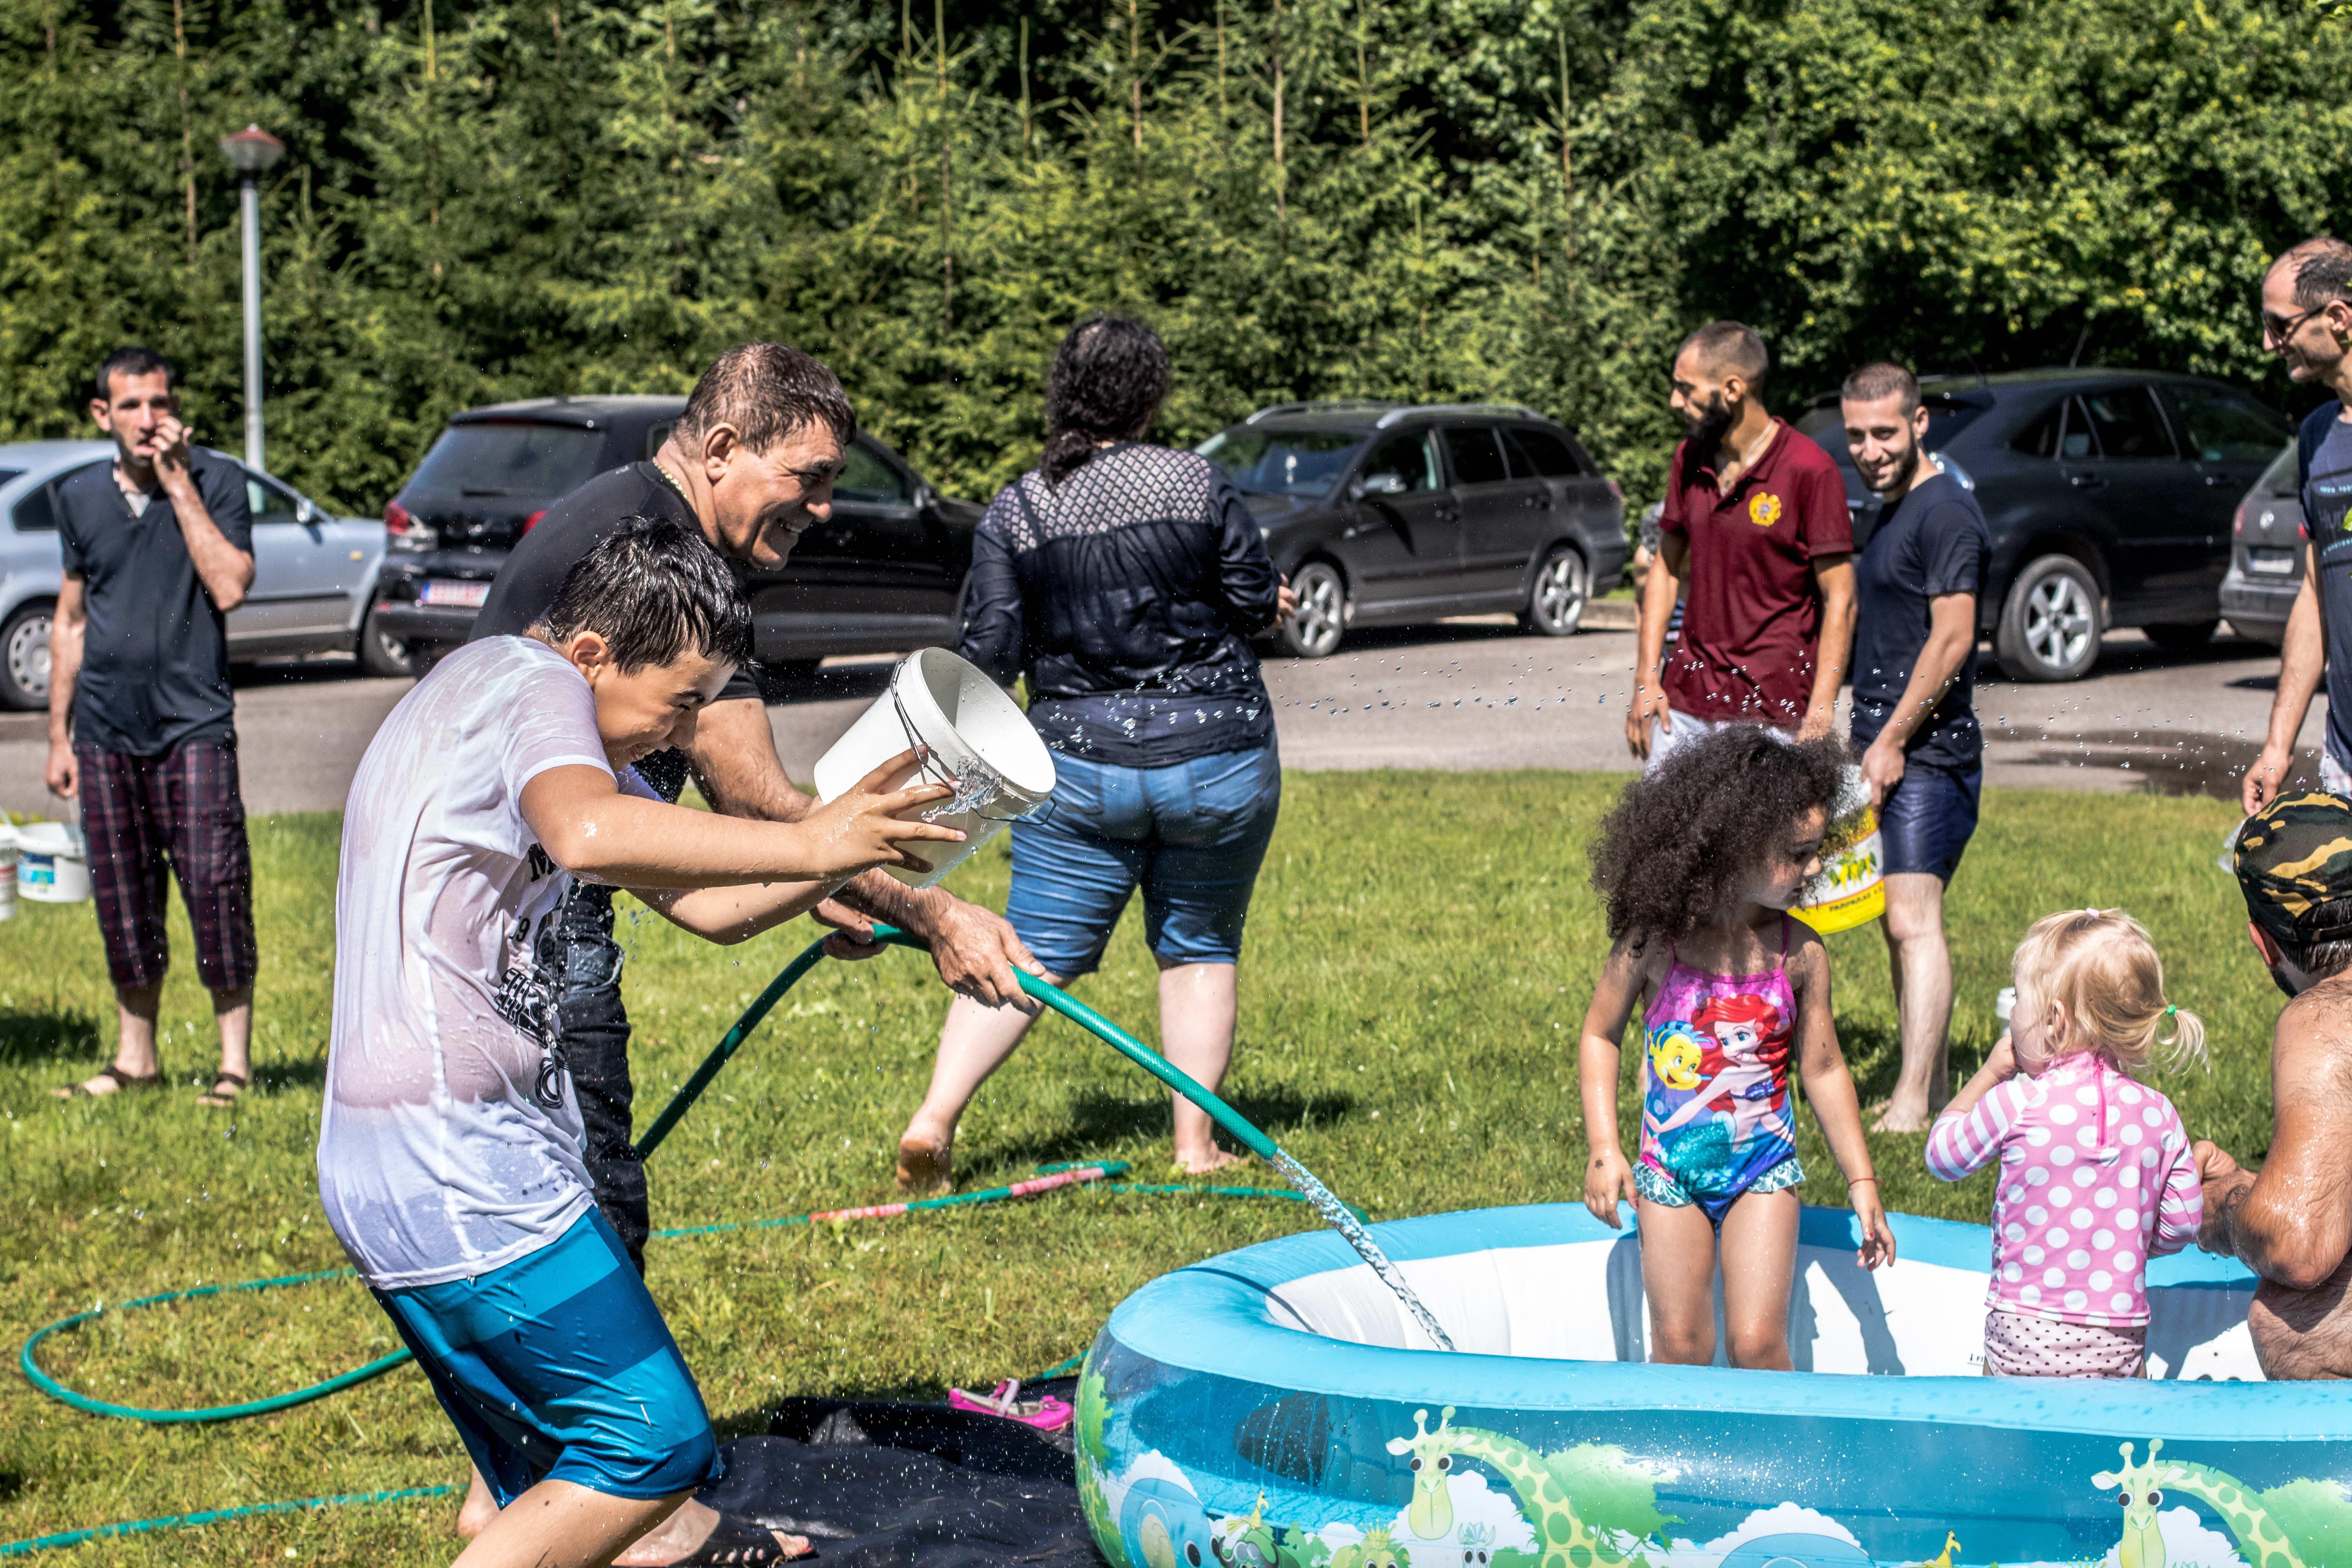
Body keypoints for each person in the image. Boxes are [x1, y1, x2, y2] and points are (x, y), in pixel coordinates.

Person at [321, 518, 959, 1568]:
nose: (683, 731)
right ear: (591, 656)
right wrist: (810, 839)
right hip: (463, 1171)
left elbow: (709, 909)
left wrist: (826, 871)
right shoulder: (532, 687)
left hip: (391, 1168)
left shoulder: (487, 702)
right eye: (681, 702)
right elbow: (585, 834)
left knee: (540, 1478)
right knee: (650, 1445)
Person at [893, 316, 1296, 1191]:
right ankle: (1195, 1145)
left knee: (1032, 948)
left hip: (1077, 765)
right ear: (1152, 392)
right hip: (1217, 754)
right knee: (1197, 947)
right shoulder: (1197, 483)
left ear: (1064, 393)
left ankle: (935, 1116)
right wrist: (1269, 597)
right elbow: (1252, 598)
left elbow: (992, 652)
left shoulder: (1019, 507)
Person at [1578, 726, 1894, 1369]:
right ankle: (1673, 1466)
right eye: (1797, 854)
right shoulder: (1655, 942)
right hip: (1670, 1171)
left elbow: (1825, 1069)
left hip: (1763, 1172)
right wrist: (1606, 1151)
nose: (1813, 869)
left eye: (1814, 851)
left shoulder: (1799, 952)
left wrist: (1861, 1178)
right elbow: (1599, 1035)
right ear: (1733, 847)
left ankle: (1780, 1463)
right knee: (1682, 1345)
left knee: (1757, 1342)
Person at [44, 346, 260, 1107]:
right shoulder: (77, 499)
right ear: (103, 414)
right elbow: (69, 621)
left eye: (159, 403)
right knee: (123, 898)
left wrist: (177, 483)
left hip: (193, 722)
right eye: (131, 405)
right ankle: (136, 1057)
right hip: (104, 728)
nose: (147, 418)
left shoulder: (217, 481)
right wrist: (58, 735)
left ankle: (234, 1064)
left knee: (216, 885)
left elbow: (230, 584)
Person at [1924, 909, 2204, 1378]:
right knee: (2117, 1441)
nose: (2013, 1014)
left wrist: (1990, 1073)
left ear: (2054, 1020)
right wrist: (2124, 1240)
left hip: (2022, 1336)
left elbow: (1942, 1156)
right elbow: (2184, 1223)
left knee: (2007, 1439)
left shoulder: (2018, 1100)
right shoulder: (2159, 1114)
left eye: (2018, 999)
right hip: (2118, 1339)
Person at [1839, 361, 1993, 1133]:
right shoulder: (1885, 510)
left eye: (1885, 433)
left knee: (1913, 919)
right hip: (1877, 745)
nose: (1869, 450)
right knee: (1890, 921)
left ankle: (1912, 1104)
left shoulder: (1947, 514)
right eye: (1857, 435)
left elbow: (1955, 635)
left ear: (1920, 422)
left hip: (1930, 753)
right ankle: (1924, 1083)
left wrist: (1894, 739)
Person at [1626, 321, 1855, 766]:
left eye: (1686, 389)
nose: (1676, 401)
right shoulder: (1688, 459)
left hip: (1774, 713)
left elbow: (1841, 597)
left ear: (1732, 389)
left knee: (1758, 840)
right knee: (1666, 837)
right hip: (1684, 705)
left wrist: (1821, 712)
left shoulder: (1810, 470)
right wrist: (1646, 678)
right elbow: (1666, 568)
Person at [2192, 792, 2352, 1379]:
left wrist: (2222, 1206)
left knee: (2294, 1317)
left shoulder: (2328, 1017)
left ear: (2265, 942)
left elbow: (2296, 1245)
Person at [2243, 236, 2352, 813]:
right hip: (2345, 762)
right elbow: (2316, 591)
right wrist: (2278, 745)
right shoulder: (2316, 437)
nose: (2269, 342)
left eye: (2279, 324)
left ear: (2338, 319)